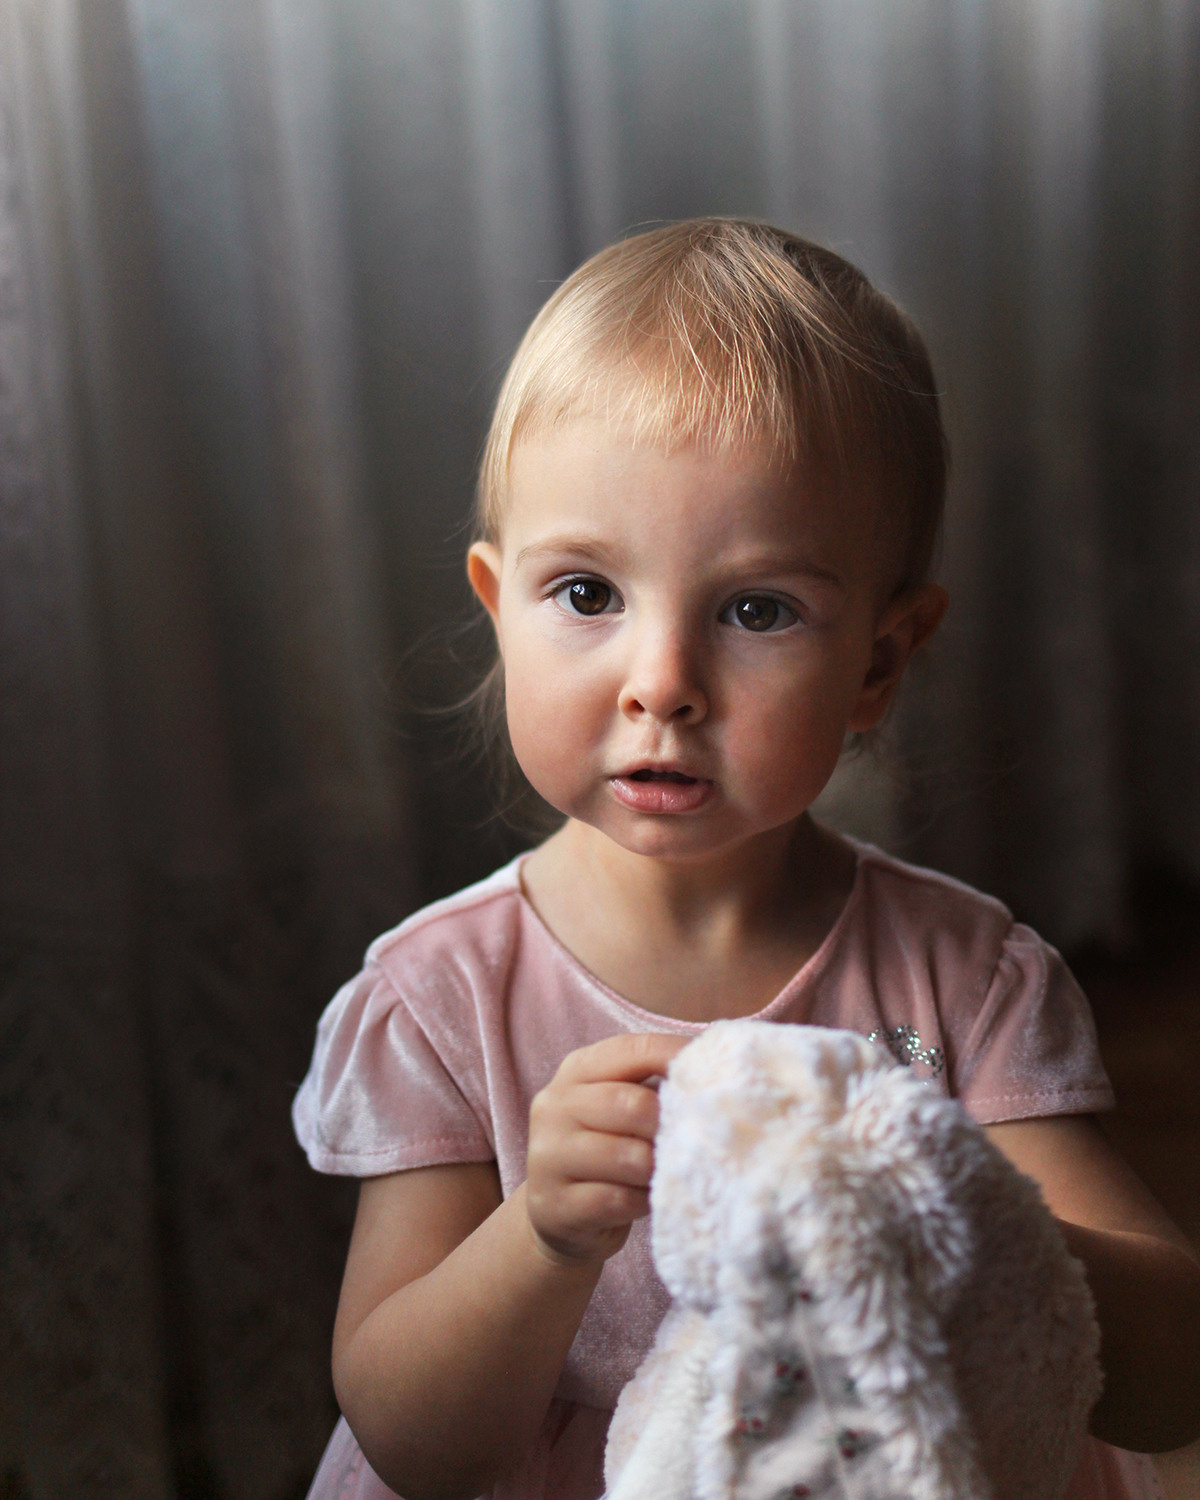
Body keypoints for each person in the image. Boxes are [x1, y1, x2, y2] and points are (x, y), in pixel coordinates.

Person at [292, 219, 1200, 1500]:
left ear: (878, 662)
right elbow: (414, 1445)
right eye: (589, 595)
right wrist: (541, 1238)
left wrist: (960, 1219)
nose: (663, 684)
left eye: (756, 610)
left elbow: (1170, 1380)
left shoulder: (968, 979)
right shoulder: (440, 1000)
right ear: (500, 611)